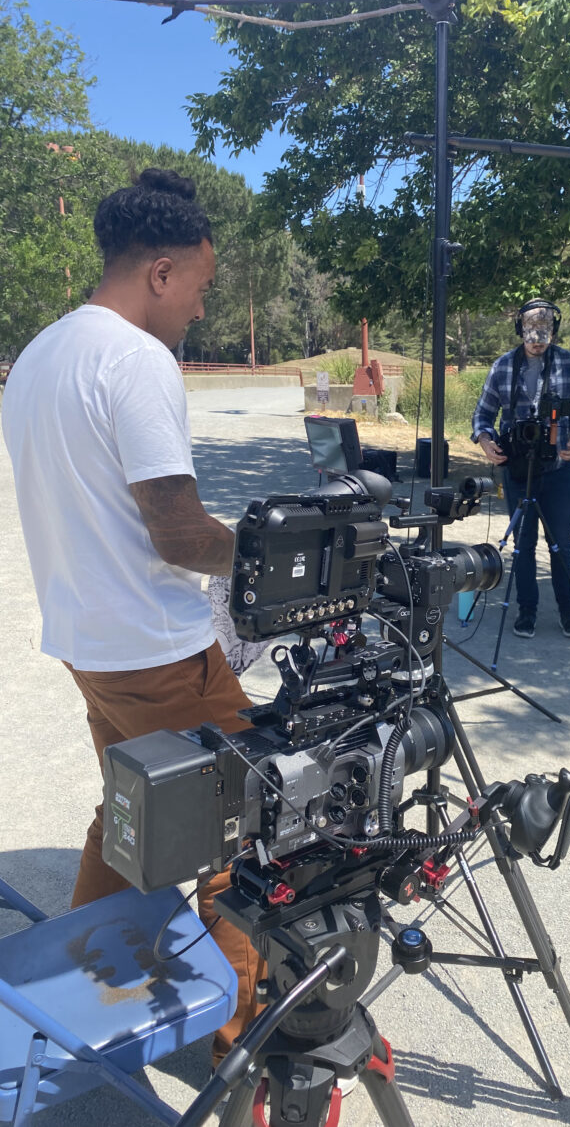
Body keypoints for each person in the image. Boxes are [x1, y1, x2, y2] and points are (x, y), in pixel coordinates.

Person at [1, 168, 261, 1062]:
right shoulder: (137, 358)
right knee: (250, 830)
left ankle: (82, 985)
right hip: (159, 649)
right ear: (161, 270)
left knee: (132, 812)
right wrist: (267, 558)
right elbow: (179, 534)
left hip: (89, 645)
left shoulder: (41, 352)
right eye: (199, 284)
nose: (199, 307)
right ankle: (237, 1039)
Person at [472, 298, 570, 638]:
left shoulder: (569, 364)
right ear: (519, 331)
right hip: (517, 472)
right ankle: (527, 611)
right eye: (530, 331)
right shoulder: (502, 367)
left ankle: (569, 611)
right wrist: (485, 440)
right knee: (524, 545)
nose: (538, 338)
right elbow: (482, 414)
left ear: (554, 330)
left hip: (558, 471)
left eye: (544, 331)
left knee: (561, 544)